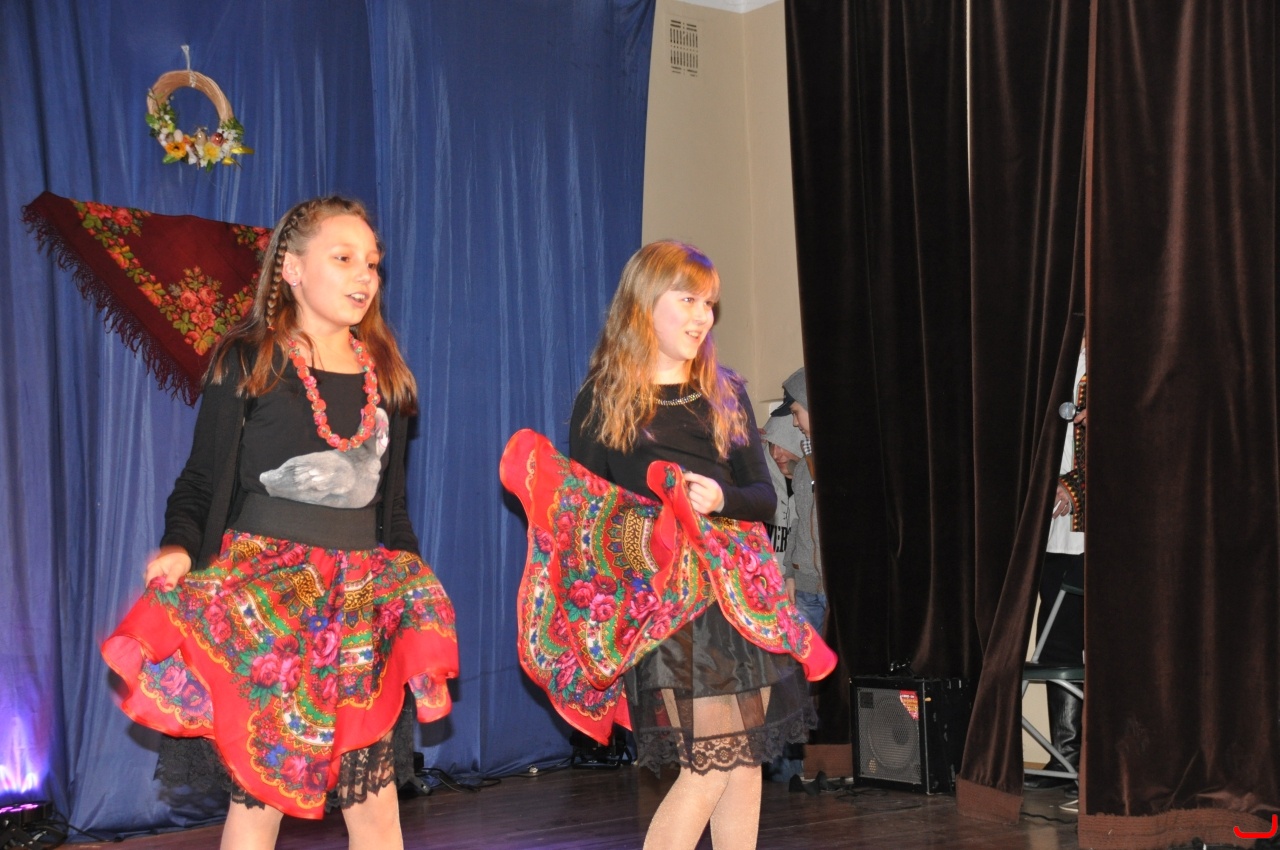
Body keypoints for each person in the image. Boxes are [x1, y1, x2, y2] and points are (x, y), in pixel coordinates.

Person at [101, 196, 459, 850]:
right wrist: (180, 546)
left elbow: (391, 509)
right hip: (275, 598)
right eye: (343, 258)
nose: (364, 275)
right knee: (262, 798)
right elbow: (201, 478)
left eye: (372, 263)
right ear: (292, 269)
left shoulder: (387, 377)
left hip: (358, 600)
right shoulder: (250, 360)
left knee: (376, 804)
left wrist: (407, 583)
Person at [499, 240, 834, 850]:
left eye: (709, 303)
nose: (703, 315)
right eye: (688, 300)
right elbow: (587, 519)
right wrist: (648, 537)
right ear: (643, 303)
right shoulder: (603, 399)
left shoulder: (724, 392)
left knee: (743, 767)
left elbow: (763, 496)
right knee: (708, 769)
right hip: (671, 609)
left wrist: (721, 499)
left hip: (740, 598)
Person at [1029, 342, 1086, 804]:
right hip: (1053, 539)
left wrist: (1070, 488)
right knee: (1055, 649)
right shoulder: (1054, 358)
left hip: (1094, 539)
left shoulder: (1121, 360)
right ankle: (1065, 755)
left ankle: (1093, 760)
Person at [771, 368, 827, 632]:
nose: (795, 423)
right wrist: (790, 574)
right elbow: (798, 522)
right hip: (804, 591)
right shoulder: (804, 467)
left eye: (796, 413)